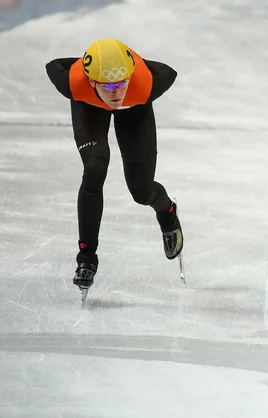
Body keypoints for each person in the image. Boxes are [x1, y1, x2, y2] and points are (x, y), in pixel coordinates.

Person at [45, 38, 183, 293]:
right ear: (92, 80)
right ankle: (86, 258)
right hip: (89, 105)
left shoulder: (147, 85)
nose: (116, 93)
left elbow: (168, 71)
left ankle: (167, 213)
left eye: (121, 84)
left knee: (141, 192)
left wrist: (135, 65)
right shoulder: (73, 82)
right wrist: (92, 63)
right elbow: (54, 65)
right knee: (95, 168)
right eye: (108, 86)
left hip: (135, 109)